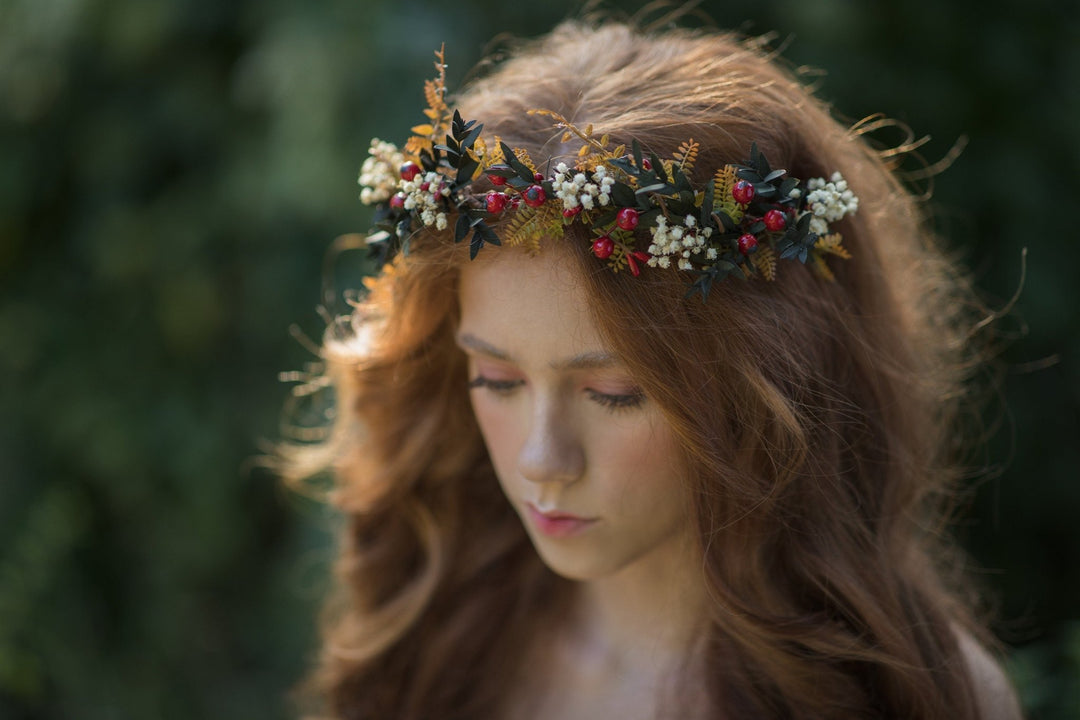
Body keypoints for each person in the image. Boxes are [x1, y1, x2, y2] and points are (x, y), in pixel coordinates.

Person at [279, 20, 1024, 720]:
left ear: (768, 385)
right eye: (497, 381)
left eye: (614, 394)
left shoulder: (917, 697)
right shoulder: (427, 635)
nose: (544, 459)